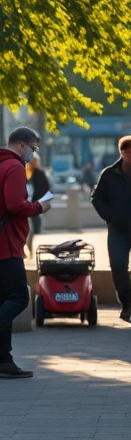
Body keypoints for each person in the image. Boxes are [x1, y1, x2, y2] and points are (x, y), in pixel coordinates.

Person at [0, 126, 51, 382]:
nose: (32, 155)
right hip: (4, 244)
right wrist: (40, 206)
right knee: (19, 296)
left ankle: (3, 359)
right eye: (33, 149)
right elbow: (15, 205)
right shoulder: (13, 167)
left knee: (1, 297)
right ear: (22, 145)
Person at [90, 136, 131, 323]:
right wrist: (110, 216)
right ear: (121, 153)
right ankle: (127, 304)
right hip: (118, 230)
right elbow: (96, 198)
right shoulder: (109, 174)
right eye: (128, 153)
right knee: (118, 267)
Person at [25, 156, 51, 254]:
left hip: (35, 204)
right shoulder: (25, 173)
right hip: (26, 204)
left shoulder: (39, 173)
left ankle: (29, 245)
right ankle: (28, 245)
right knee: (28, 228)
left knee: (34, 228)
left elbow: (46, 188)